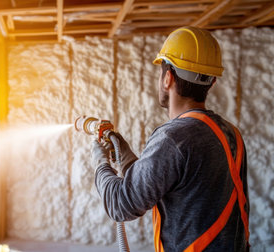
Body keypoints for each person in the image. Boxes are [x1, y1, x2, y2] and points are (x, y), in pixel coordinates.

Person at [91, 26, 250, 251]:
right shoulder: (230, 133)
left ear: (167, 78)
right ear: (212, 83)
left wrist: (99, 163)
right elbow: (163, 178)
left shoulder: (173, 138)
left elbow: (120, 204)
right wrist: (124, 154)